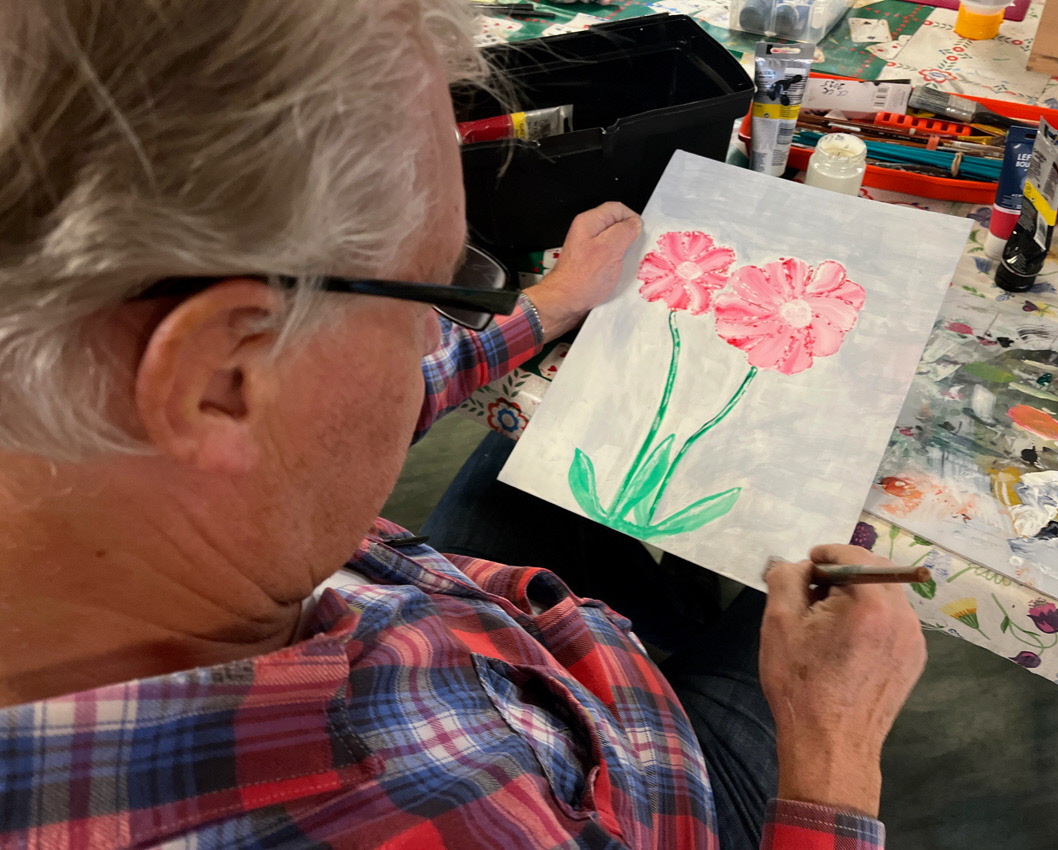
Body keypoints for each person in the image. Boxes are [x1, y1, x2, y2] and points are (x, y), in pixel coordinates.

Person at [0, 1, 926, 848]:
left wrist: (550, 304)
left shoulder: (92, 462)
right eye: (440, 287)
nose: (434, 334)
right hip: (669, 796)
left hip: (487, 632)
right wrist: (833, 759)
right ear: (221, 376)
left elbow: (321, 393)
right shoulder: (441, 827)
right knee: (831, 566)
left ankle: (675, 603)